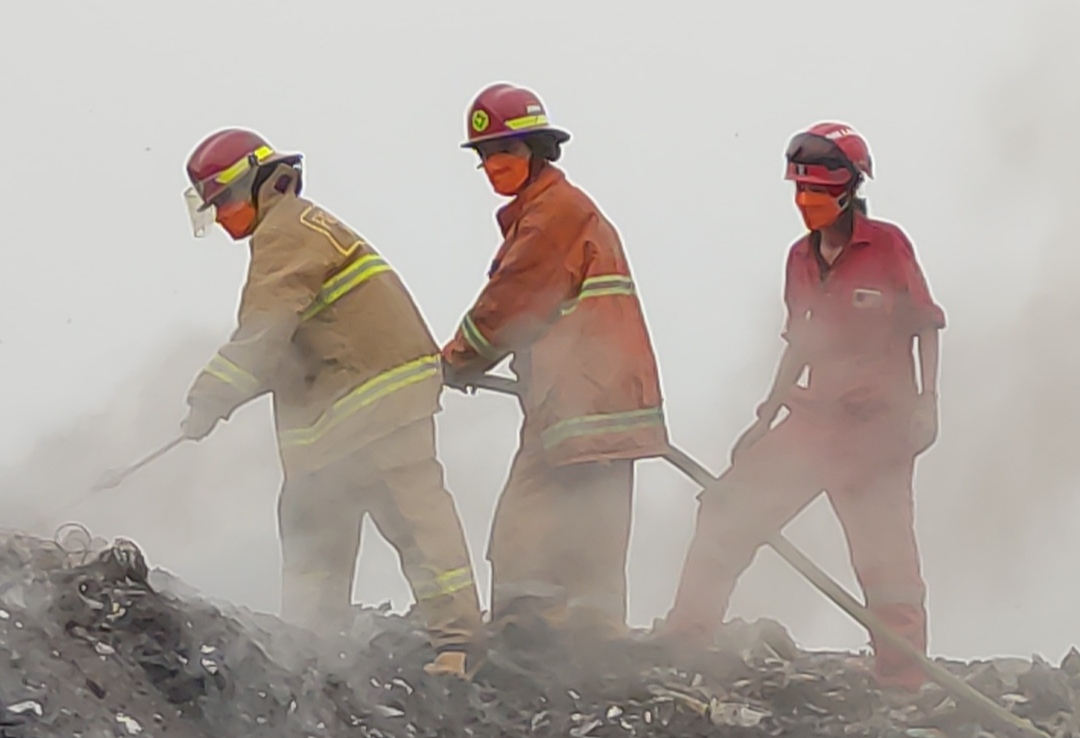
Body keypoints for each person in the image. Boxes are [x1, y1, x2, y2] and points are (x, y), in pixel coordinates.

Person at [180, 128, 482, 677]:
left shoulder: (284, 232)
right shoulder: (298, 224)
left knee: (414, 520)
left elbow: (264, 330)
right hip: (344, 413)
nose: (221, 217)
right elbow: (282, 350)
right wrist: (223, 397)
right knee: (314, 517)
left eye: (222, 201)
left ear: (250, 184)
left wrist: (208, 397)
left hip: (376, 401)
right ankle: (311, 653)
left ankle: (457, 649)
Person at [663, 123, 944, 691]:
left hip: (875, 430)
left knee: (886, 563)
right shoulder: (799, 258)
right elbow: (802, 340)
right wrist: (766, 416)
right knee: (727, 509)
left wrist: (927, 402)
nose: (806, 203)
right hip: (813, 420)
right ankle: (685, 639)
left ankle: (903, 679)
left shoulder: (887, 246)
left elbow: (926, 325)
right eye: (800, 192)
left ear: (849, 190)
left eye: (817, 192)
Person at [441, 83, 669, 641]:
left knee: (525, 523)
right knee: (595, 522)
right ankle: (594, 637)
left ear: (538, 152)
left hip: (578, 397)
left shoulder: (551, 216)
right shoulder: (558, 210)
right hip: (608, 395)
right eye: (486, 156)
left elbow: (509, 302)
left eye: (507, 153)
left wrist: (454, 361)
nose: (495, 166)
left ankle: (528, 632)